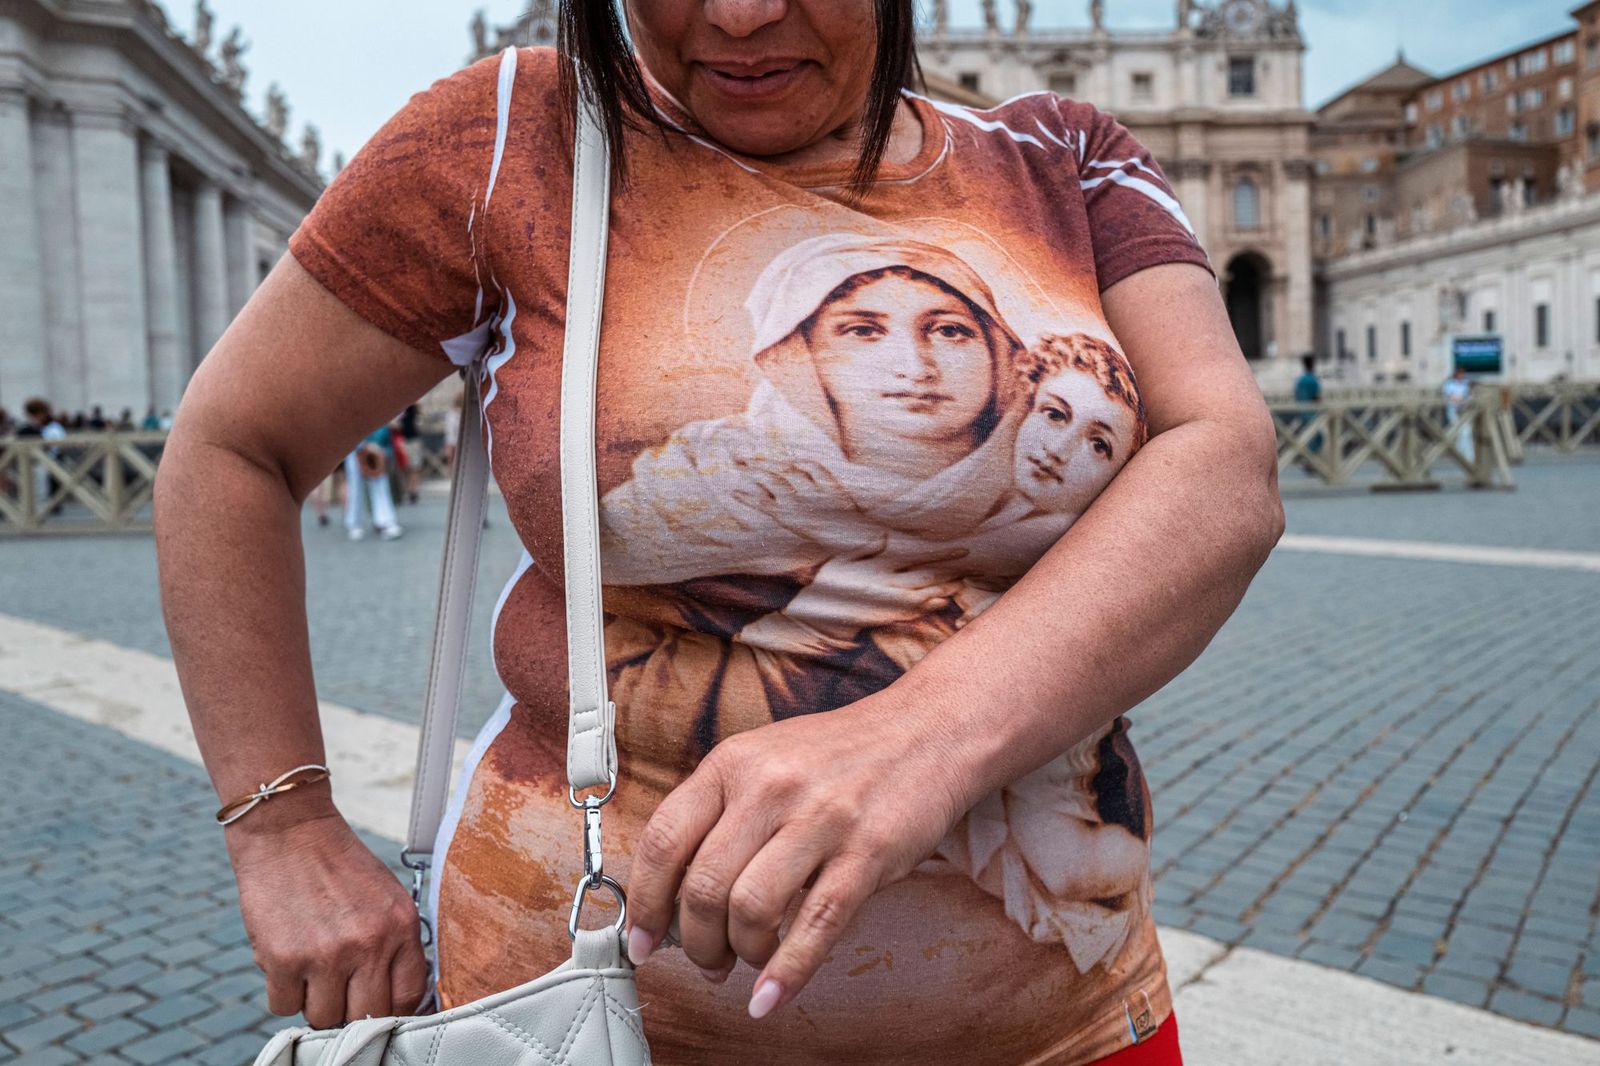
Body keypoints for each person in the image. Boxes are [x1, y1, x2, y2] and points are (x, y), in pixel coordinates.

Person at [153, 6, 1283, 1064]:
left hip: (1064, 1022)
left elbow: (1222, 462)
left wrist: (921, 737)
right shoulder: (514, 136)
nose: (738, 15)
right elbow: (233, 443)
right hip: (585, 1017)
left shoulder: (1064, 159)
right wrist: (281, 825)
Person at [341, 425, 403, 541]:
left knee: (379, 482)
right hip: (356, 445)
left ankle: (384, 521)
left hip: (375, 443)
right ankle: (355, 523)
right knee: (355, 487)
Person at [1442, 366, 1474, 462]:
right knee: (1459, 432)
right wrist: (1461, 398)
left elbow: (1470, 395)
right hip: (1453, 411)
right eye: (1460, 374)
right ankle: (1460, 454)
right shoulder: (1449, 384)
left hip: (1464, 411)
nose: (1462, 376)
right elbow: (1450, 396)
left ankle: (1467, 456)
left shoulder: (1465, 383)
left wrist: (1467, 397)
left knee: (1466, 432)